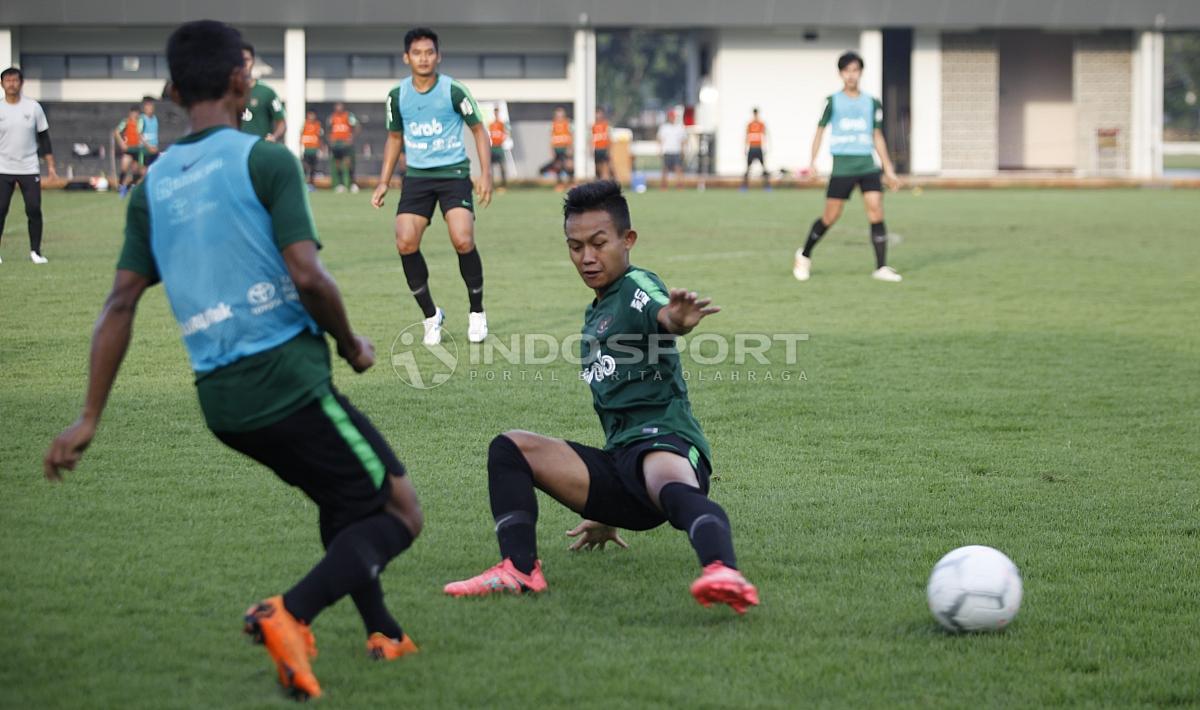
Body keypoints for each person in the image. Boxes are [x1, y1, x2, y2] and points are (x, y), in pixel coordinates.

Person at [43, 21, 424, 701]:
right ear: (241, 82)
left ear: (173, 91)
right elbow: (308, 276)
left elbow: (119, 305)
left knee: (338, 497)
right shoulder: (265, 160)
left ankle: (385, 632)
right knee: (400, 512)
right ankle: (290, 613)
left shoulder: (152, 186)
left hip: (221, 403)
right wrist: (351, 344)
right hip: (286, 382)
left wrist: (88, 418)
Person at [444, 180, 759, 616]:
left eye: (598, 243)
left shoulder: (635, 285)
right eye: (575, 247)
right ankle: (519, 570)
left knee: (669, 484)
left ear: (627, 240)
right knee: (510, 448)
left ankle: (722, 569)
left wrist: (677, 319)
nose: (587, 258)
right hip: (620, 463)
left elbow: (662, 312)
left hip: (663, 442)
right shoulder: (598, 312)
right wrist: (606, 508)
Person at [371, 27, 493, 345]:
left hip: (453, 174)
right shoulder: (397, 96)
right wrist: (383, 182)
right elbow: (394, 138)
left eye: (429, 52)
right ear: (406, 57)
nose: (423, 58)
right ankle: (430, 316)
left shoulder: (453, 91)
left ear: (438, 56)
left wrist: (485, 174)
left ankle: (477, 312)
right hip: (417, 177)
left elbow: (479, 131)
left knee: (463, 239)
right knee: (405, 242)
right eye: (417, 53)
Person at [794, 51, 902, 283]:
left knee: (876, 209)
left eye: (855, 70)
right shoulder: (832, 101)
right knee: (830, 216)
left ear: (860, 73)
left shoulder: (871, 103)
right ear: (841, 74)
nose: (851, 75)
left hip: (867, 165)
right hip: (843, 166)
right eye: (847, 71)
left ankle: (881, 267)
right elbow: (820, 131)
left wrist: (888, 169)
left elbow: (877, 136)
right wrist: (812, 163)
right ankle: (804, 255)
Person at [0, 66, 57, 264]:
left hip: (28, 167)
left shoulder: (33, 107)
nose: (11, 84)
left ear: (21, 83)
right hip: (3, 168)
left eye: (15, 80)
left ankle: (35, 252)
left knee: (33, 209)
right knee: (0, 209)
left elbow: (44, 138)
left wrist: (50, 165)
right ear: (2, 84)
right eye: (7, 81)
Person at [239, 42, 286, 142]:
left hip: (260, 149)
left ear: (253, 61)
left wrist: (274, 137)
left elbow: (281, 122)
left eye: (247, 60)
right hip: (235, 150)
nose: (244, 64)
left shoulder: (267, 92)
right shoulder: (226, 93)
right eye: (240, 60)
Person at [113, 106, 146, 197]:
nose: (135, 115)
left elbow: (141, 134)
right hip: (129, 149)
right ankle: (120, 187)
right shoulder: (126, 122)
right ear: (130, 113)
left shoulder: (141, 122)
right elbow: (116, 132)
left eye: (136, 113)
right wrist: (122, 144)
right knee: (124, 167)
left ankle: (130, 186)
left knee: (136, 171)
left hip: (137, 149)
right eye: (133, 113)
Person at [328, 102, 359, 193]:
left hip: (346, 144)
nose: (338, 108)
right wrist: (330, 139)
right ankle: (340, 184)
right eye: (337, 106)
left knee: (348, 163)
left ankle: (352, 184)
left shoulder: (349, 116)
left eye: (340, 106)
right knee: (337, 164)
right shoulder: (332, 117)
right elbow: (328, 128)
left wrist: (352, 138)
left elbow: (357, 126)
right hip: (336, 144)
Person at [540, 106, 572, 190]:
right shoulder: (553, 124)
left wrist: (570, 147)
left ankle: (569, 183)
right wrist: (551, 149)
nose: (559, 117)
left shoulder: (567, 123)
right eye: (558, 115)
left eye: (561, 115)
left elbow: (570, 136)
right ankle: (559, 184)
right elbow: (551, 138)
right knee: (558, 166)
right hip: (557, 148)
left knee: (568, 165)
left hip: (565, 148)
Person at [656, 109, 687, 189]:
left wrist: (683, 151)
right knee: (665, 169)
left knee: (678, 169)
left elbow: (683, 140)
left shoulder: (680, 127)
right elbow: (660, 139)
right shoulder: (664, 127)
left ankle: (679, 185)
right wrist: (659, 150)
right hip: (667, 150)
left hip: (677, 150)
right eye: (671, 116)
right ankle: (663, 185)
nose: (672, 118)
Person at [743, 107, 769, 190]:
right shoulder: (749, 124)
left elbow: (765, 136)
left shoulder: (761, 124)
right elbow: (746, 136)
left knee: (764, 168)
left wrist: (766, 147)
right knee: (748, 168)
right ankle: (744, 186)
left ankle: (767, 186)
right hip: (751, 148)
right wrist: (745, 148)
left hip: (759, 148)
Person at [300, 109, 323, 191]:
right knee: (305, 167)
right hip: (307, 150)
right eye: (310, 115)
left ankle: (311, 185)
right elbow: (301, 135)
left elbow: (320, 137)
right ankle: (303, 184)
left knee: (313, 168)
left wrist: (321, 148)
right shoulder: (305, 124)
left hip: (314, 150)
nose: (311, 117)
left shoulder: (317, 124)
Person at [487, 107, 508, 189]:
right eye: (495, 113)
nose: (496, 114)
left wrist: (501, 139)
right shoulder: (491, 125)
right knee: (490, 167)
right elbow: (489, 135)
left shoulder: (501, 124)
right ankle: (491, 185)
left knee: (502, 166)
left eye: (497, 112)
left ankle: (503, 185)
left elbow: (506, 134)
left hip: (499, 147)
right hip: (492, 148)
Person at [592, 107, 613, 181]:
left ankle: (607, 181)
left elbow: (609, 137)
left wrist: (609, 149)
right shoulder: (593, 125)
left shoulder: (606, 125)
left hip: (604, 148)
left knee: (606, 166)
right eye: (597, 114)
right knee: (598, 167)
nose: (598, 115)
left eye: (600, 114)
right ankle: (600, 180)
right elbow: (590, 138)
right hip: (597, 149)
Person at [140, 96, 161, 166]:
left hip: (154, 150)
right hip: (144, 151)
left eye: (151, 105)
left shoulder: (155, 118)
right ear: (144, 107)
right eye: (148, 105)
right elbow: (139, 135)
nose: (150, 108)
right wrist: (148, 147)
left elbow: (155, 134)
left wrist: (155, 147)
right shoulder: (142, 119)